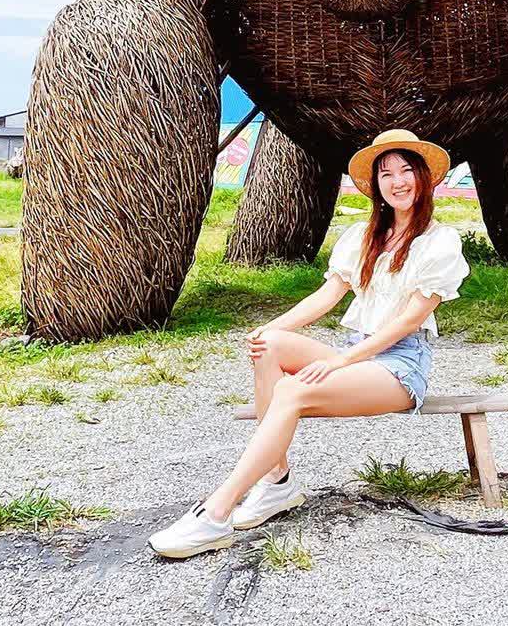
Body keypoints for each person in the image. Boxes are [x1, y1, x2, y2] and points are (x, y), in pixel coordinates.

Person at [149, 127, 471, 558]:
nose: (398, 181)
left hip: (399, 365)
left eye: (407, 170)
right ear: (375, 184)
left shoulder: (440, 241)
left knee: (292, 389)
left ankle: (216, 513)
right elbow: (327, 295)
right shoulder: (363, 236)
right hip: (359, 354)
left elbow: (409, 319)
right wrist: (270, 327)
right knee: (271, 346)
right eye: (387, 173)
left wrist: (341, 360)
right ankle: (277, 480)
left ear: (425, 178)